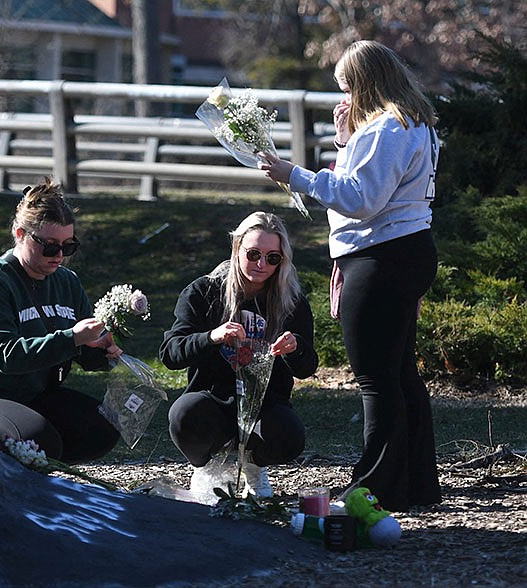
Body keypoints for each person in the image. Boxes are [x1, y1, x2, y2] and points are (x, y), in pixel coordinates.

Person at [258, 40, 442, 511]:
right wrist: (344, 141)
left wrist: (292, 173)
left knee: (375, 378)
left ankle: (375, 486)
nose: (344, 96)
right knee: (400, 373)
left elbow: (361, 199)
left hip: (380, 257)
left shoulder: (387, 128)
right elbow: (376, 183)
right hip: (408, 250)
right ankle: (417, 482)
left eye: (347, 87)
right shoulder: (414, 124)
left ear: (366, 84)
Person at [0, 177, 121, 465]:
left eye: (68, 246)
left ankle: (39, 473)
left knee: (103, 427)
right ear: (21, 234)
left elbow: (82, 354)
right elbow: (5, 357)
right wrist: (72, 338)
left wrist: (102, 351)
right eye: (49, 246)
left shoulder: (66, 282)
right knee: (40, 439)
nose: (59, 256)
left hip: (39, 393)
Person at [159, 211, 318, 500]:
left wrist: (296, 348)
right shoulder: (204, 291)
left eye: (272, 258)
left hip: (266, 404)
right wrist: (211, 337)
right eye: (253, 253)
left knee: (289, 435)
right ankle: (206, 468)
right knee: (183, 415)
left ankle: (255, 466)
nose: (261, 264)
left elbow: (307, 367)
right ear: (237, 248)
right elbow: (170, 353)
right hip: (212, 397)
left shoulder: (291, 301)